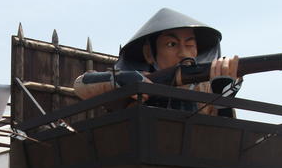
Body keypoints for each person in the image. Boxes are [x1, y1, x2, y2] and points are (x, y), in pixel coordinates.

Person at [73, 7, 239, 115]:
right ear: (149, 53)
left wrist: (223, 98)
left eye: (190, 44)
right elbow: (81, 84)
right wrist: (124, 80)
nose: (184, 53)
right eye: (171, 44)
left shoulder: (205, 89)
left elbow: (224, 137)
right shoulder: (142, 80)